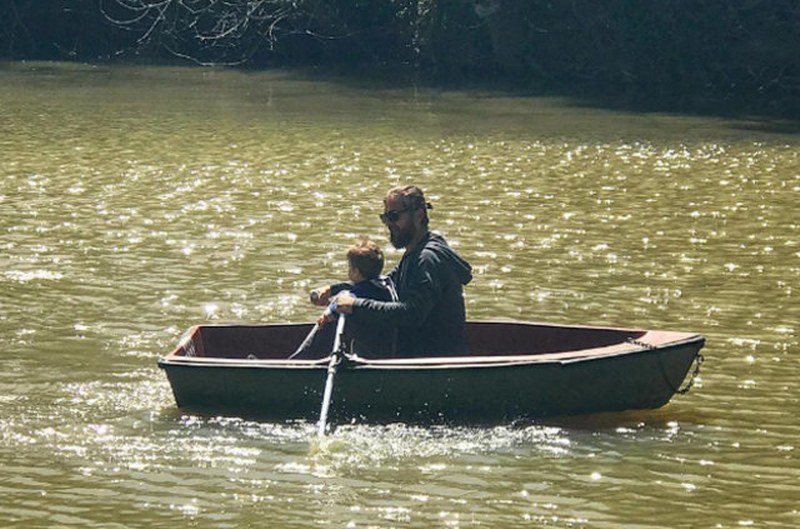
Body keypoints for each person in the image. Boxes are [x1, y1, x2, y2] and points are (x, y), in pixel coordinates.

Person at [314, 185, 473, 356]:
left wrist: (356, 305)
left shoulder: (427, 259)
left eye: (394, 216)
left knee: (357, 317)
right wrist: (334, 289)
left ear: (419, 215)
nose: (389, 224)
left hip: (432, 362)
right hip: (413, 354)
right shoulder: (414, 252)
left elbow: (412, 313)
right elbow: (385, 283)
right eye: (385, 218)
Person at [311, 238, 398, 357]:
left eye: (349, 267)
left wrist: (328, 313)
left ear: (356, 271)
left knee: (324, 328)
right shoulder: (385, 286)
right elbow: (356, 288)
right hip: (388, 348)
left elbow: (341, 302)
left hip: (367, 354)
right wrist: (331, 290)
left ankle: (301, 358)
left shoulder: (356, 294)